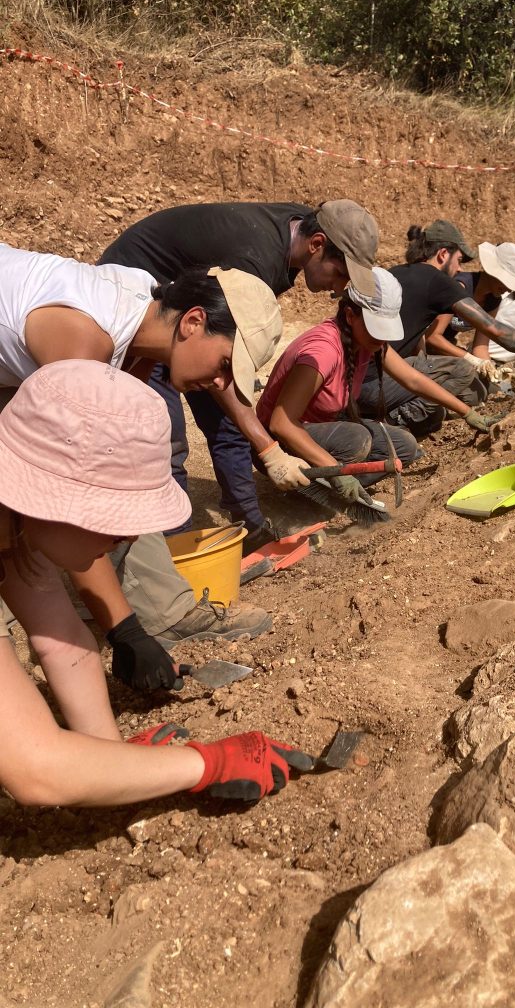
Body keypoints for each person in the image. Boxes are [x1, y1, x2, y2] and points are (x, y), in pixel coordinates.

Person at [0, 360, 300, 808]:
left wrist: (112, 762)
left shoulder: (20, 526)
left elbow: (61, 644)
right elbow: (37, 771)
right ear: (54, 496)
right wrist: (204, 764)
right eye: (118, 515)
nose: (131, 537)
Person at [0, 242, 278, 692]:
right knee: (28, 494)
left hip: (16, 365)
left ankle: (155, 609)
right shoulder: (83, 342)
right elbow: (75, 500)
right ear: (193, 321)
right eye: (225, 364)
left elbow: (116, 472)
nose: (222, 384)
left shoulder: (144, 313)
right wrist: (124, 631)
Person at [99, 199, 378, 550]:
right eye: (340, 274)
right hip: (141, 312)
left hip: (191, 312)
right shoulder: (253, 260)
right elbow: (223, 354)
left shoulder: (296, 230)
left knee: (227, 419)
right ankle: (176, 548)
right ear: (317, 244)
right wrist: (270, 450)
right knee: (164, 436)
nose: (339, 289)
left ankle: (248, 523)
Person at [256, 268, 501, 506]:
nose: (381, 338)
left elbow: (413, 380)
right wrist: (338, 472)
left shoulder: (368, 341)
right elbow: (281, 423)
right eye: (376, 329)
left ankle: (338, 493)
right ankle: (310, 490)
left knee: (405, 448)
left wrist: (467, 412)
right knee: (356, 439)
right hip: (280, 445)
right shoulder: (323, 352)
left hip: (319, 430)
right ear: (351, 316)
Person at [356, 220, 515, 436]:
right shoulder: (443, 283)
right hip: (376, 378)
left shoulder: (399, 272)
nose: (459, 268)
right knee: (460, 371)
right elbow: (490, 330)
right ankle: (390, 420)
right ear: (443, 254)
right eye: (458, 260)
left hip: (367, 373)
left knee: (471, 396)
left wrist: (490, 367)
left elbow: (418, 337)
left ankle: (401, 411)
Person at [423, 241, 515, 376]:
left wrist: (492, 371)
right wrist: (471, 360)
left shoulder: (493, 300)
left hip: (442, 352)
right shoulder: (460, 286)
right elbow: (432, 337)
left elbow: (480, 347)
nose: (509, 288)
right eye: (507, 281)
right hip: (420, 349)